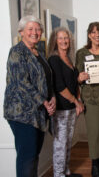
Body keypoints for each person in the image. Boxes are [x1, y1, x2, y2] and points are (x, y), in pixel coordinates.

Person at [4, 15, 56, 177]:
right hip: (22, 114)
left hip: (39, 112)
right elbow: (21, 83)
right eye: (30, 29)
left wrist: (52, 97)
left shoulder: (38, 52)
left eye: (38, 29)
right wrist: (45, 102)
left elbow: (46, 79)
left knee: (33, 155)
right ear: (21, 32)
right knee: (27, 157)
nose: (35, 32)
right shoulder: (17, 52)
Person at [75, 22, 99, 177]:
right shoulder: (82, 53)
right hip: (91, 99)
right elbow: (77, 77)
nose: (97, 35)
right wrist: (79, 78)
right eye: (93, 32)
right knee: (95, 132)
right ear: (89, 34)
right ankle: (94, 165)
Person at [48, 27, 85, 177]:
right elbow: (60, 87)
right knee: (60, 144)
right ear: (55, 41)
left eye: (66, 38)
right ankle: (58, 174)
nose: (64, 41)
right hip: (61, 108)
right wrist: (77, 102)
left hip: (70, 108)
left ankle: (66, 171)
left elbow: (73, 83)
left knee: (68, 141)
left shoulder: (69, 59)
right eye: (60, 38)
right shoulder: (54, 59)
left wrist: (79, 80)